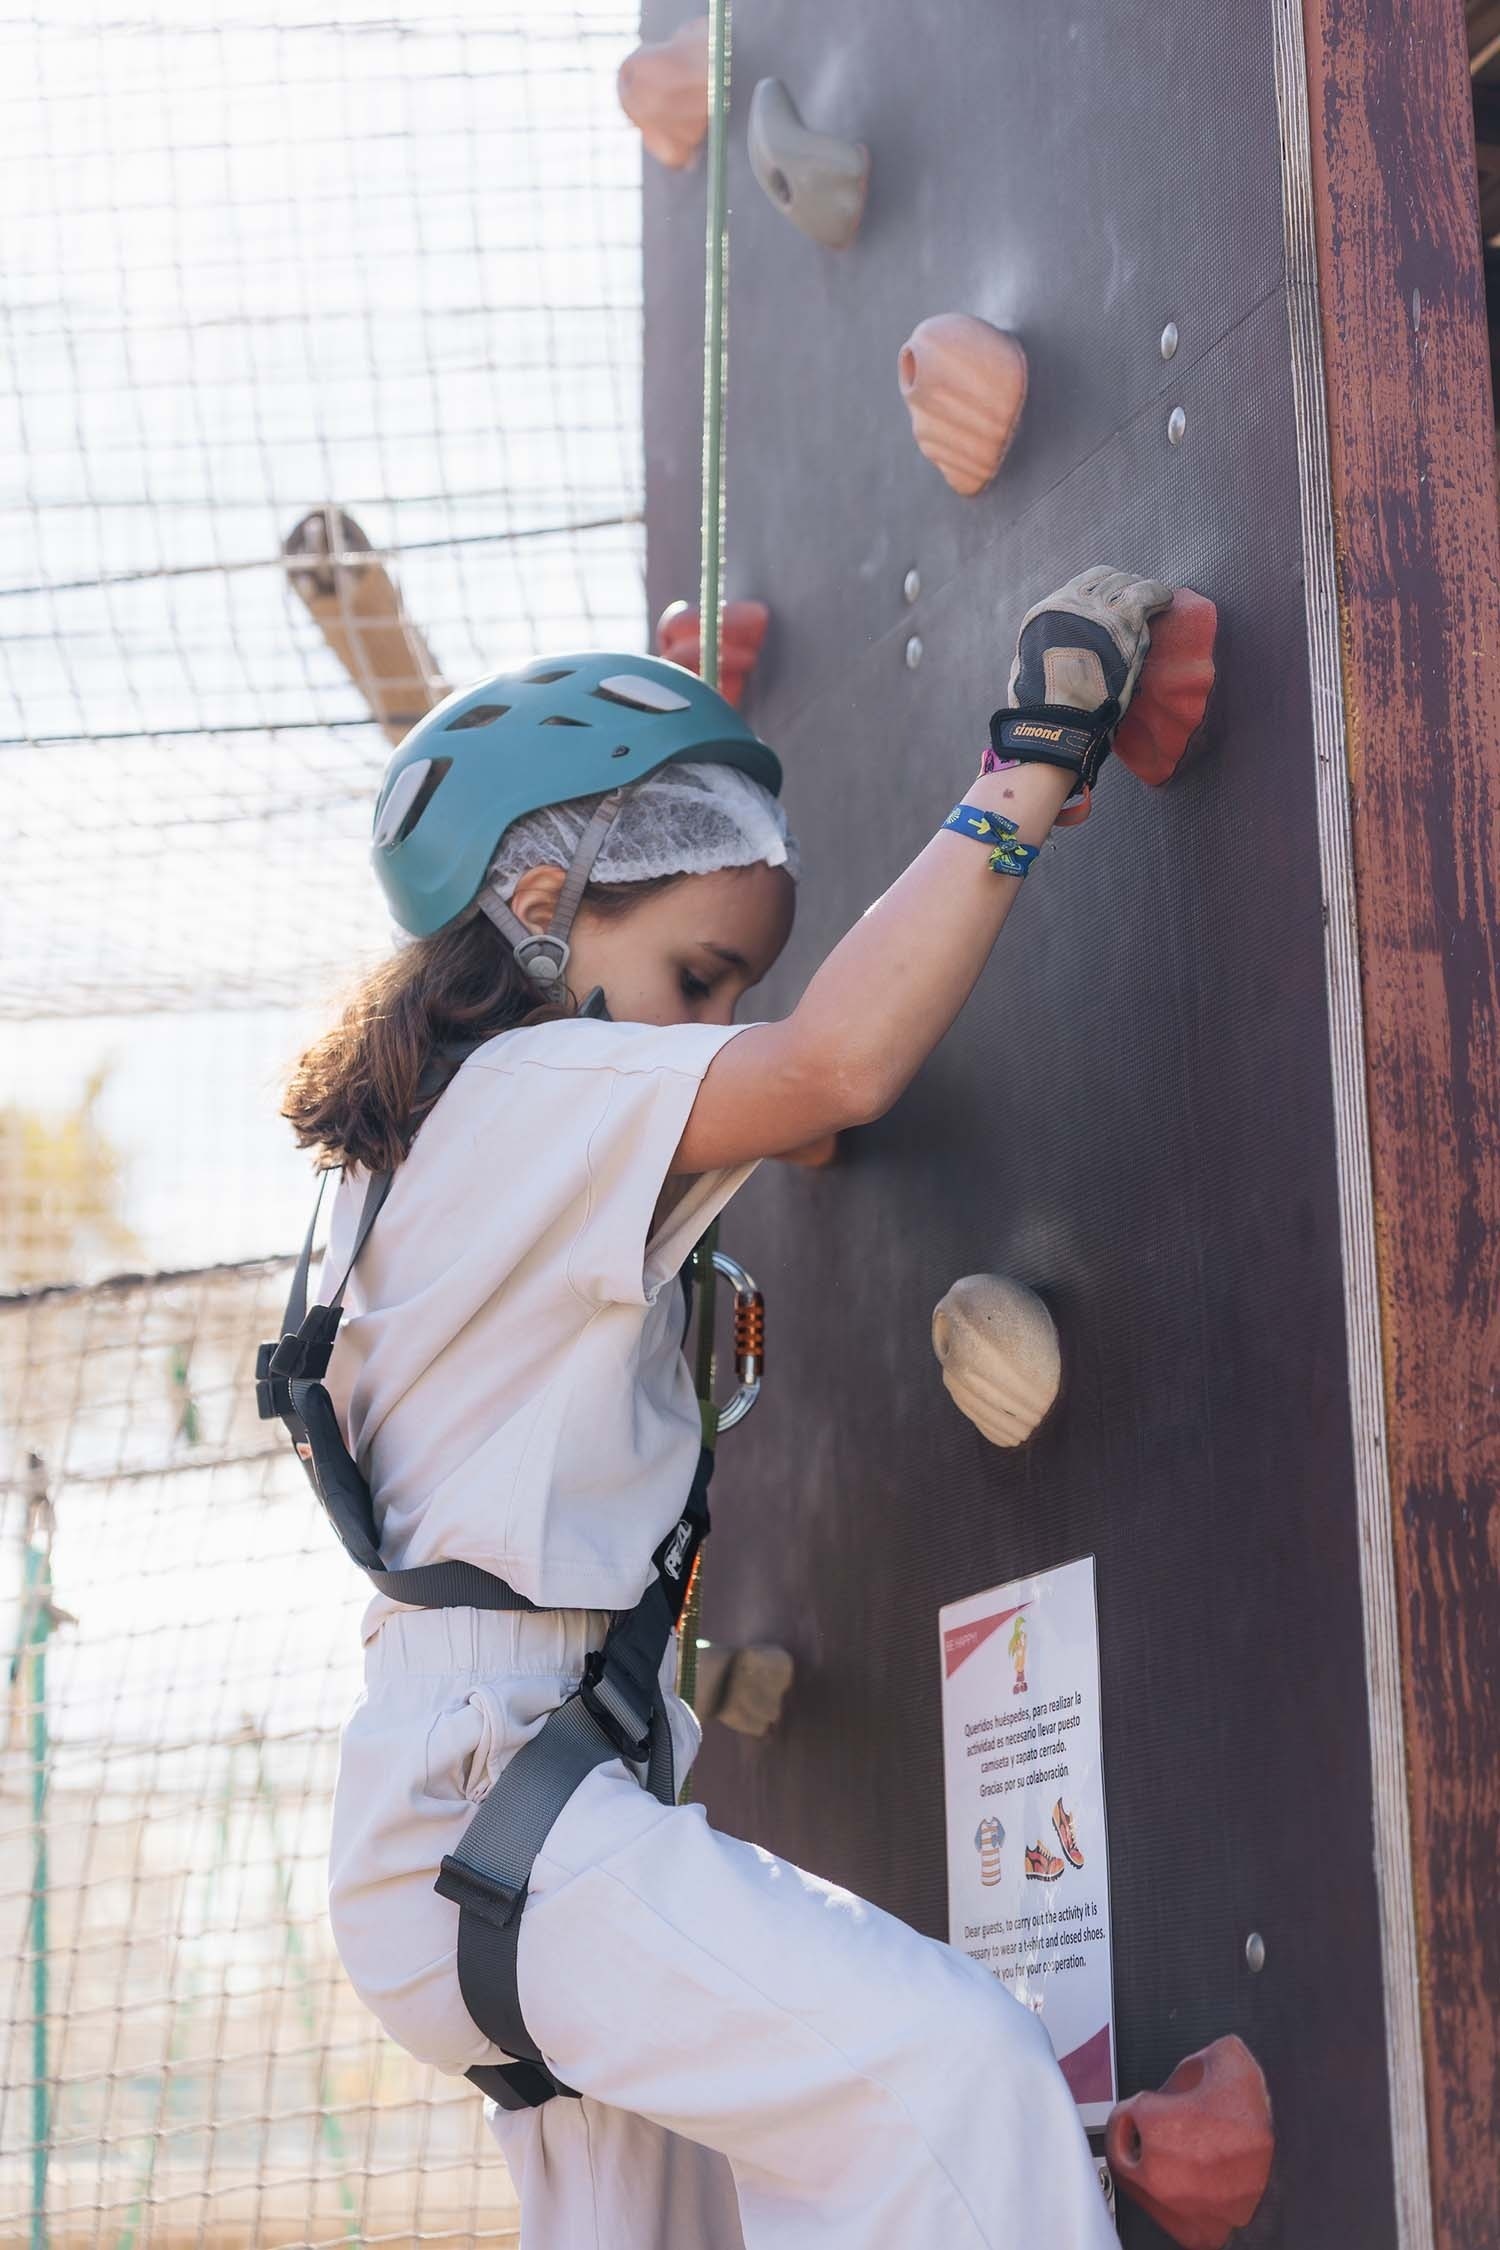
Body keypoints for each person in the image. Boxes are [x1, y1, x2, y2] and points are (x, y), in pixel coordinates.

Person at [279, 568, 1170, 2247]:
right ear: (542, 903)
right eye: (699, 976)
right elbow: (834, 1066)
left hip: (508, 1806)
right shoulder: (529, 1094)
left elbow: (792, 1090)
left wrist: (757, 1065)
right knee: (952, 2074)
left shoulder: (458, 1138)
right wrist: (1035, 753)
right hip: (505, 1811)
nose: (721, 1025)